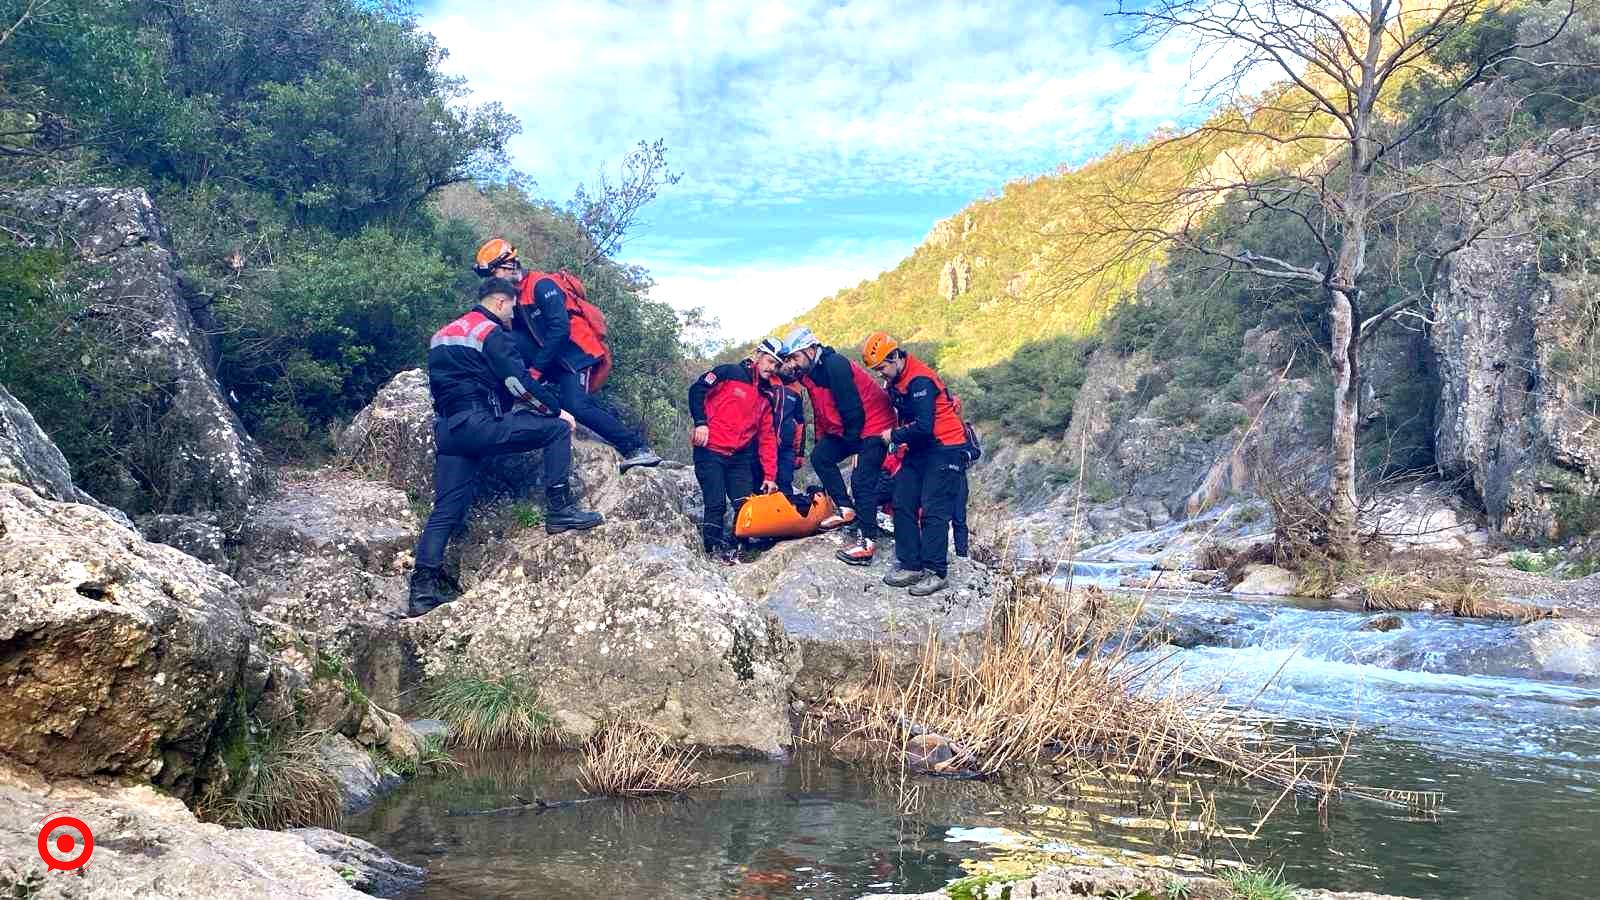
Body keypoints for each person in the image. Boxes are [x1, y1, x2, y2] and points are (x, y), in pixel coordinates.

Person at [407, 278, 603, 618]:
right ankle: (559, 510)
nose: (514, 313)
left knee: (445, 510)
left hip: (450, 431)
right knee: (556, 430)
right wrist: (558, 411)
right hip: (480, 424)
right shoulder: (491, 333)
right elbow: (518, 383)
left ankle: (422, 592)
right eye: (512, 306)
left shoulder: (442, 334)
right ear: (500, 302)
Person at [473, 238, 662, 476]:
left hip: (576, 355)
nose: (493, 280)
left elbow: (560, 329)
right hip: (551, 357)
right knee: (503, 340)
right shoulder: (512, 296)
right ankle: (495, 409)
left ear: (509, 264)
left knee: (576, 405)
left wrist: (536, 371)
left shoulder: (542, 285)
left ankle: (636, 447)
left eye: (494, 273)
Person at [779, 326, 897, 567]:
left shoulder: (835, 365)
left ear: (811, 350)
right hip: (850, 428)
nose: (794, 364)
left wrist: (855, 447)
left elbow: (852, 409)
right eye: (790, 359)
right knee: (821, 456)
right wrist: (824, 440)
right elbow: (821, 411)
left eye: (796, 357)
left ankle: (867, 543)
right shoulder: (809, 373)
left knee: (862, 481)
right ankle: (845, 508)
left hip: (875, 426)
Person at [863, 331, 968, 596]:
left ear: (895, 357)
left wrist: (893, 436)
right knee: (902, 501)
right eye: (876, 370)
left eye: (882, 367)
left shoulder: (919, 379)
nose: (880, 374)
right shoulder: (896, 382)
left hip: (945, 448)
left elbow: (924, 426)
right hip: (920, 450)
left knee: (934, 508)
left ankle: (937, 571)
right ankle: (911, 564)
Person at [688, 345, 781, 563]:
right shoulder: (729, 372)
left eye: (776, 364)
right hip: (710, 450)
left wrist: (770, 476)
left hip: (739, 457)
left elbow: (767, 437)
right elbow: (697, 390)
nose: (772, 368)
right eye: (769, 361)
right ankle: (711, 552)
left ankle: (740, 549)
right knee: (716, 504)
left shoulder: (766, 395)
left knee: (745, 504)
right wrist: (701, 423)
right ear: (757, 356)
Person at [755, 336, 807, 496]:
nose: (790, 366)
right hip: (761, 445)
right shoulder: (766, 381)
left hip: (786, 449)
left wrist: (799, 453)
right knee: (758, 483)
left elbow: (800, 422)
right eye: (785, 362)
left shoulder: (797, 388)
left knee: (784, 484)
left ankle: (786, 518)